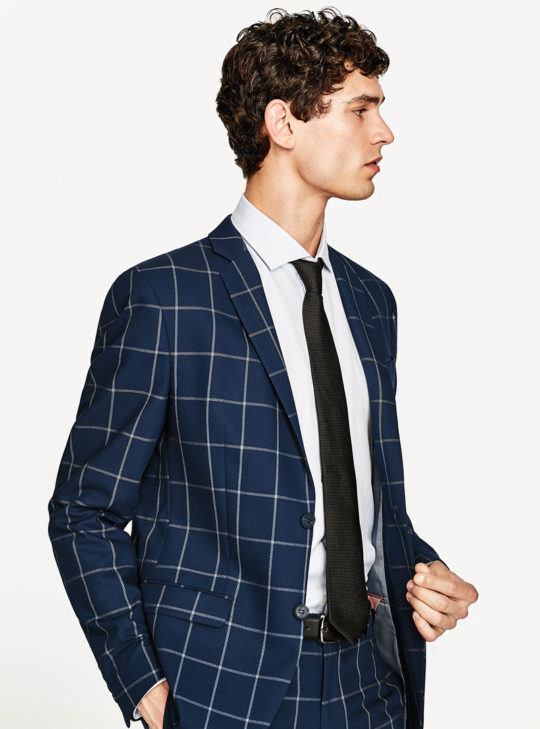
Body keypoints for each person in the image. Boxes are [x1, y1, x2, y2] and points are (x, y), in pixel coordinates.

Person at [47, 7, 478, 729]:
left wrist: (424, 577)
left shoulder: (371, 303)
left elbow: (352, 502)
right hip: (228, 692)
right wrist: (147, 689)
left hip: (372, 683)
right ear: (283, 122)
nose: (384, 132)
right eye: (360, 109)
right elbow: (84, 510)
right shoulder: (166, 296)